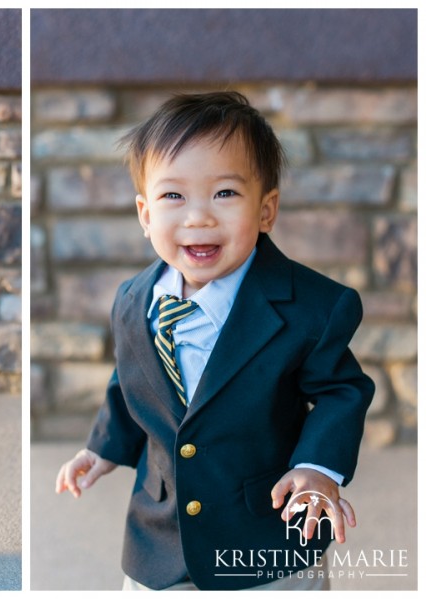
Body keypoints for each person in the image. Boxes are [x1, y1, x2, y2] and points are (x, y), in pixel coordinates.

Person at [55, 91, 374, 591]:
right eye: (173, 196)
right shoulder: (134, 300)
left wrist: (317, 469)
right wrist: (103, 449)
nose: (198, 216)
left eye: (225, 193)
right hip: (160, 536)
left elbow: (341, 391)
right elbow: (131, 382)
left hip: (266, 536)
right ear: (144, 214)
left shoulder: (312, 306)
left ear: (266, 209)